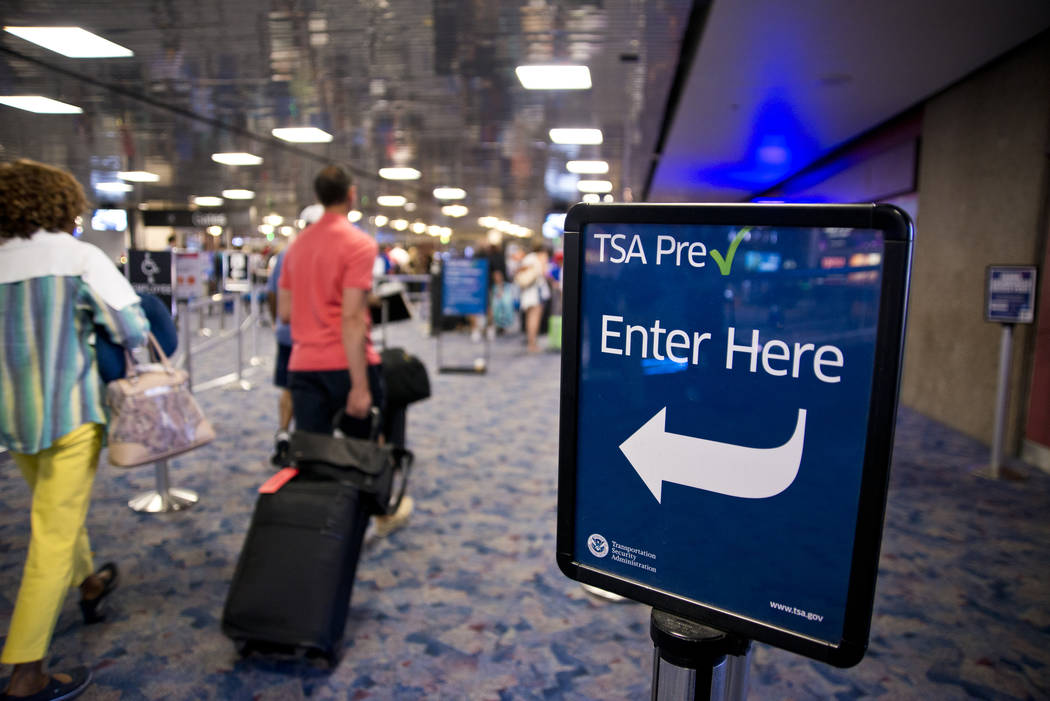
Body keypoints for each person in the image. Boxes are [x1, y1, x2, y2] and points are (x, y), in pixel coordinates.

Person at [0, 159, 150, 700]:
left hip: (12, 417)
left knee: (53, 509)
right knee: (51, 534)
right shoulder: (79, 257)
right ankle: (26, 672)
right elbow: (132, 326)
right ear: (63, 205)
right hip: (70, 414)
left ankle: (88, 583)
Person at [277, 165, 412, 531]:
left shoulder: (295, 248)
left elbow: (285, 312)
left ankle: (322, 524)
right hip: (346, 364)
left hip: (303, 364)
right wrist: (360, 385)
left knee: (314, 451)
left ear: (319, 197)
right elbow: (352, 319)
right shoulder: (359, 244)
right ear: (351, 195)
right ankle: (377, 516)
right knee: (366, 447)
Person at [265, 205, 323, 467]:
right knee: (317, 389)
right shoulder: (327, 256)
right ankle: (308, 441)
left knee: (290, 387)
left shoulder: (287, 255)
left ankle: (285, 433)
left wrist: (277, 321)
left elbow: (273, 295)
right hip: (315, 338)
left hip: (289, 335)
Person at [514, 242, 551, 353]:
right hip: (534, 294)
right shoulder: (535, 259)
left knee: (530, 318)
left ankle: (531, 342)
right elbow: (545, 274)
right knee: (534, 318)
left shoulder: (530, 258)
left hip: (529, 294)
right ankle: (532, 344)